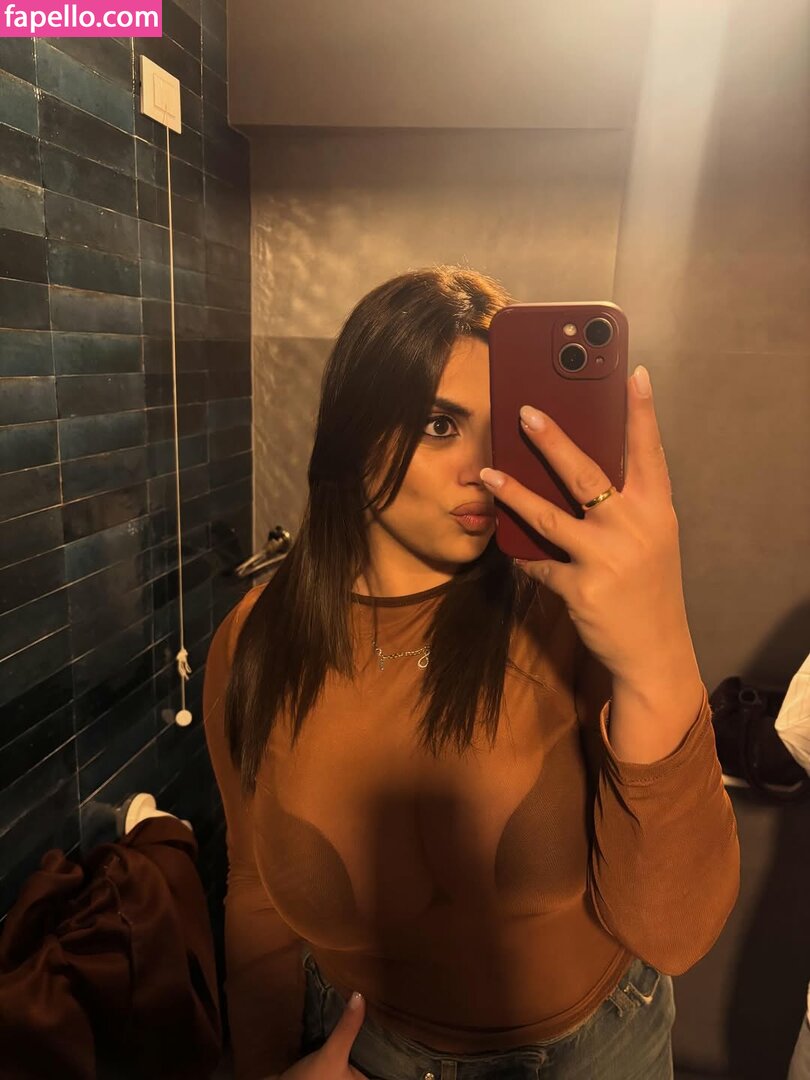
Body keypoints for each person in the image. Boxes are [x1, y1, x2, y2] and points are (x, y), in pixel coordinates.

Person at [203, 265, 740, 1080]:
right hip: (361, 1056)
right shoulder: (257, 640)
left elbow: (676, 934)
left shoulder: (568, 613)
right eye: (439, 424)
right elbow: (254, 889)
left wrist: (658, 650)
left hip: (600, 1052)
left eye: (506, 432)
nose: (486, 470)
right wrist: (267, 1067)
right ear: (354, 430)